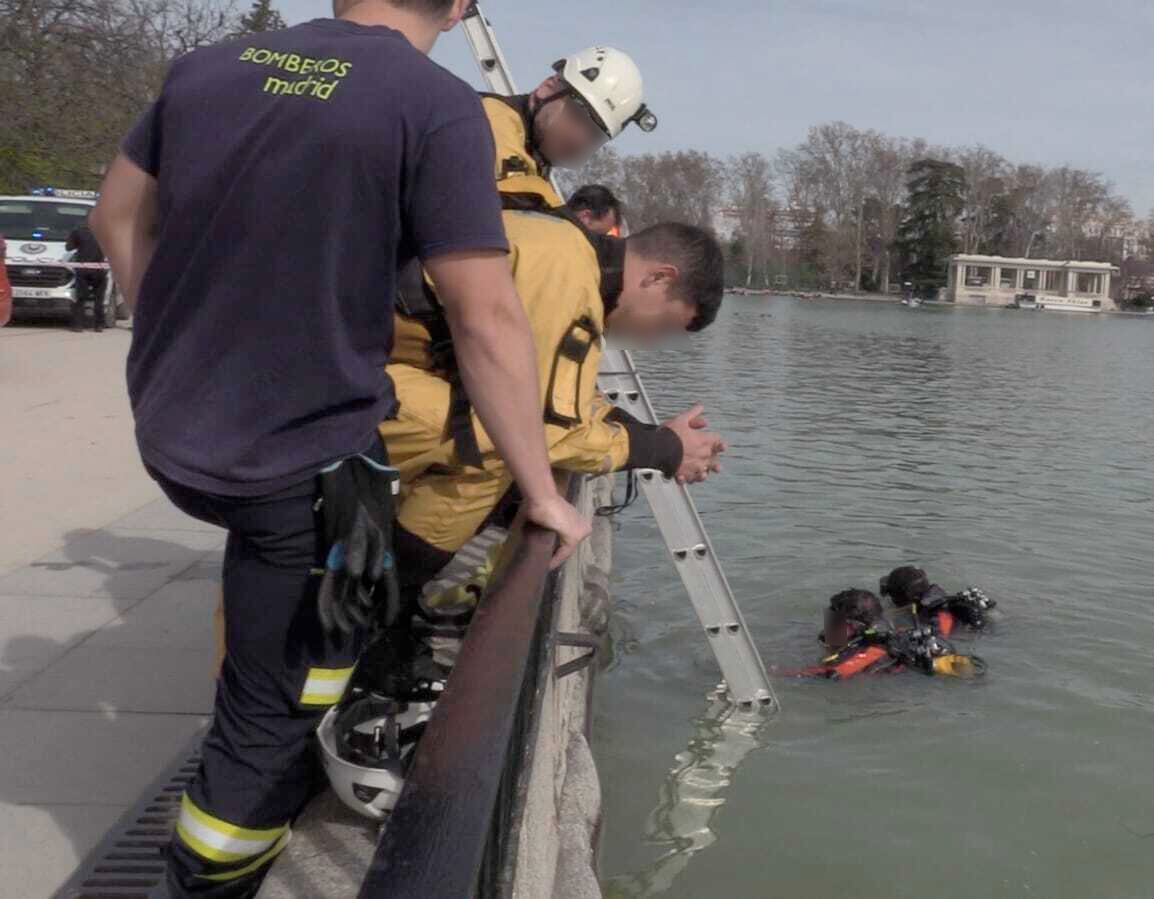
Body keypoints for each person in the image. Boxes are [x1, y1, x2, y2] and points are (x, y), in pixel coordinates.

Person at [89, 1, 589, 894]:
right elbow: (484, 312)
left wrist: (165, 339)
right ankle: (209, 872)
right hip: (295, 453)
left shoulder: (206, 67)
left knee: (312, 606)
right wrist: (541, 492)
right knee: (264, 707)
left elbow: (116, 217)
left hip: (172, 428)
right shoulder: (433, 104)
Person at [384, 211, 728, 609]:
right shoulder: (568, 277)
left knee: (504, 436)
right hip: (331, 377)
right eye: (666, 325)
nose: (653, 340)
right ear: (658, 278)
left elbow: (560, 397)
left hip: (362, 361)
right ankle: (382, 598)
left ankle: (392, 586)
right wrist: (666, 449)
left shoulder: (568, 252)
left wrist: (657, 438)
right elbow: (540, 427)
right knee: (494, 443)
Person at [479, 46, 654, 209]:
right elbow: (519, 200)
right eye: (576, 115)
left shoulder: (536, 163)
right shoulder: (488, 119)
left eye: (594, 135)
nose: (579, 138)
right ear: (547, 88)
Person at [800, 588, 985, 680]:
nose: (829, 626)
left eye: (835, 621)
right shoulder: (884, 634)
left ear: (854, 626)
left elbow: (834, 674)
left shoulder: (874, 649)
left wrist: (780, 674)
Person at [879, 565, 997, 636]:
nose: (892, 600)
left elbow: (944, 637)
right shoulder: (940, 599)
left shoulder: (938, 614)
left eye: (894, 596)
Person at [65, 222, 107, 332]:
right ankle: (99, 325)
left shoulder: (78, 231)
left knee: (80, 298)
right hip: (99, 269)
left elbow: (69, 247)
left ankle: (78, 325)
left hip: (82, 269)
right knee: (99, 299)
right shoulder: (104, 232)